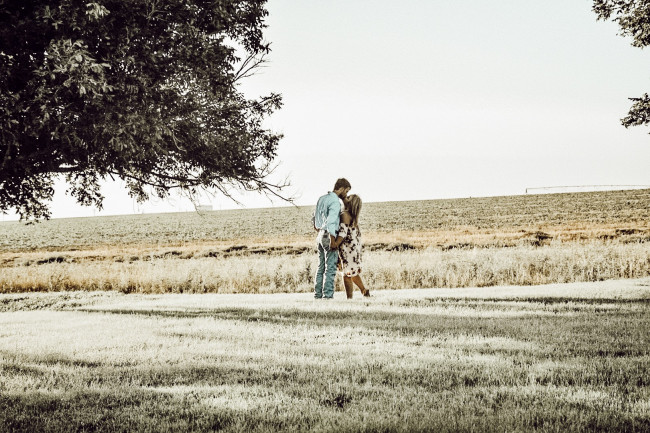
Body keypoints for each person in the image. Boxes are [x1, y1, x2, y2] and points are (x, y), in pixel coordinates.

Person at [312, 178, 351, 299]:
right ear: (342, 189)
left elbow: (314, 217)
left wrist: (319, 229)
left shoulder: (322, 198)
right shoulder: (335, 202)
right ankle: (327, 296)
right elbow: (331, 222)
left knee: (321, 267)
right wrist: (332, 239)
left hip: (320, 235)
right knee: (330, 268)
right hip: (329, 235)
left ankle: (317, 295)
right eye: (346, 191)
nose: (346, 195)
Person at [331, 194, 369, 298]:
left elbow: (342, 233)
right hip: (354, 248)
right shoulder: (353, 217)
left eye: (348, 198)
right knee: (353, 272)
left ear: (350, 203)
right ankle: (364, 291)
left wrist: (335, 243)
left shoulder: (345, 215)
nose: (345, 198)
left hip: (347, 249)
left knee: (346, 274)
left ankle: (350, 298)